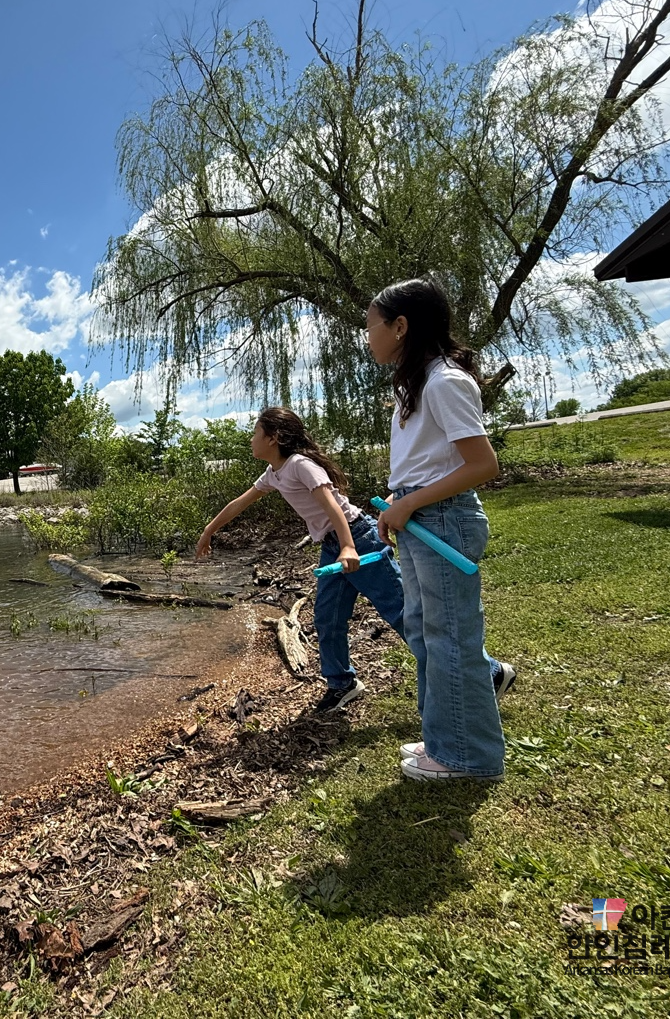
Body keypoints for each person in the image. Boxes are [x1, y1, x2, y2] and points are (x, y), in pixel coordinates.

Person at [367, 277, 513, 781]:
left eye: (371, 325)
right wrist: (398, 499)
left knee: (451, 639)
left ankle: (468, 757)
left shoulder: (445, 381)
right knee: (425, 632)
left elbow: (482, 464)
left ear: (400, 327)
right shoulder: (419, 384)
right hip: (422, 516)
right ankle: (443, 740)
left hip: (442, 521)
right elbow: (430, 463)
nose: (367, 337)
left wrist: (410, 503)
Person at [195, 407, 407, 713]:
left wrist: (348, 547)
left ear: (273, 438)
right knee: (327, 618)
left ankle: (458, 669)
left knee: (400, 610)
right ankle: (343, 683)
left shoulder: (300, 465)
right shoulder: (275, 472)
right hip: (333, 546)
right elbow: (239, 503)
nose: (251, 439)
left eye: (255, 433)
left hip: (358, 538)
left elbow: (333, 507)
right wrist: (208, 531)